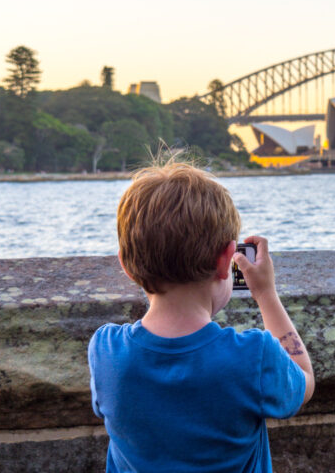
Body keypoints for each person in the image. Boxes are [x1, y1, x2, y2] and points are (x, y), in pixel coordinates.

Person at [88, 162, 315, 472]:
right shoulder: (252, 357)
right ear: (227, 262)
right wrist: (266, 294)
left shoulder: (105, 351)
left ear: (126, 266)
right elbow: (304, 383)